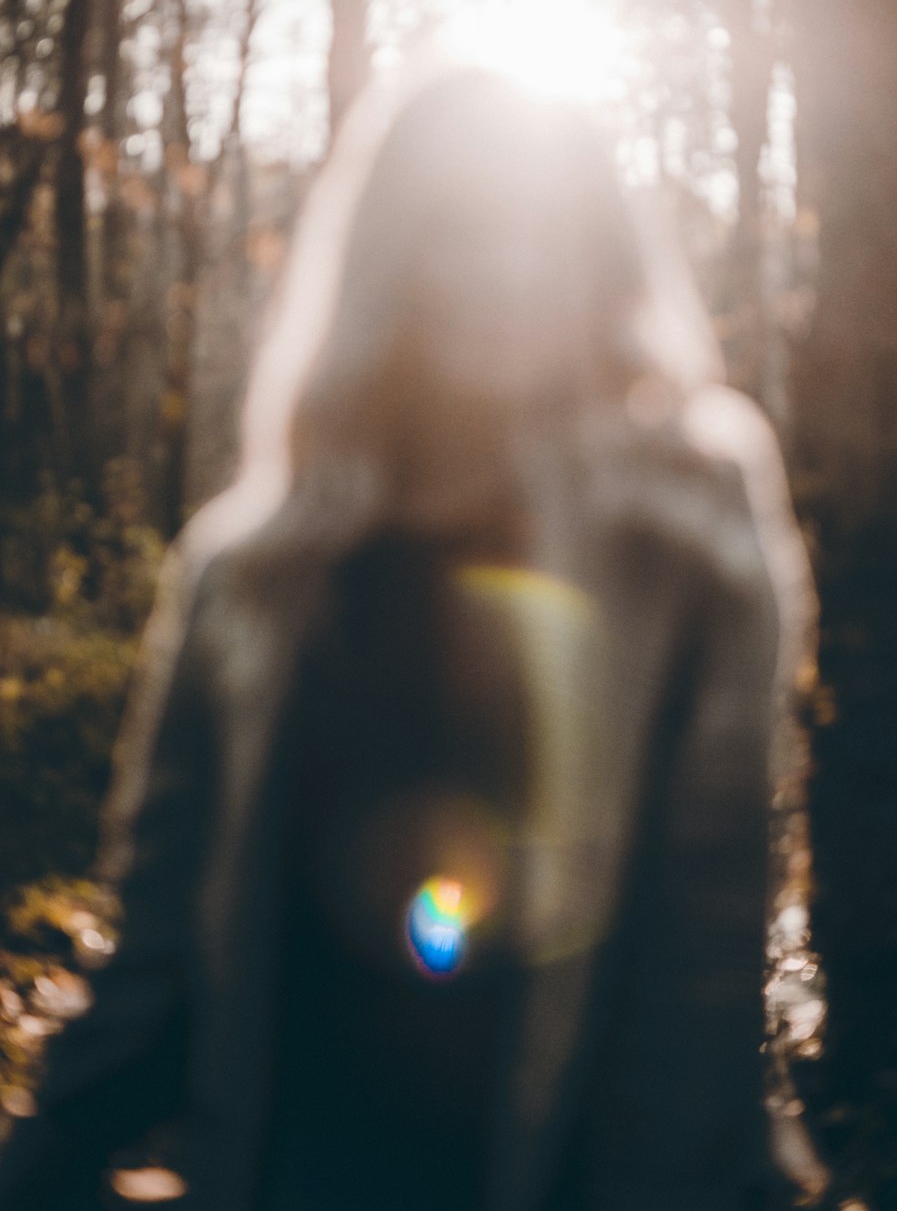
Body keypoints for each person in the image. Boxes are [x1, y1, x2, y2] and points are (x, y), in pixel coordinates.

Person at [0, 68, 813, 1211]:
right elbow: (162, 951)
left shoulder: (681, 531)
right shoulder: (256, 571)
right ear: (394, 260)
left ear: (597, 260)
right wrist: (47, 1157)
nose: (502, 275)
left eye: (539, 234)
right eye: (458, 234)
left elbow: (704, 953)